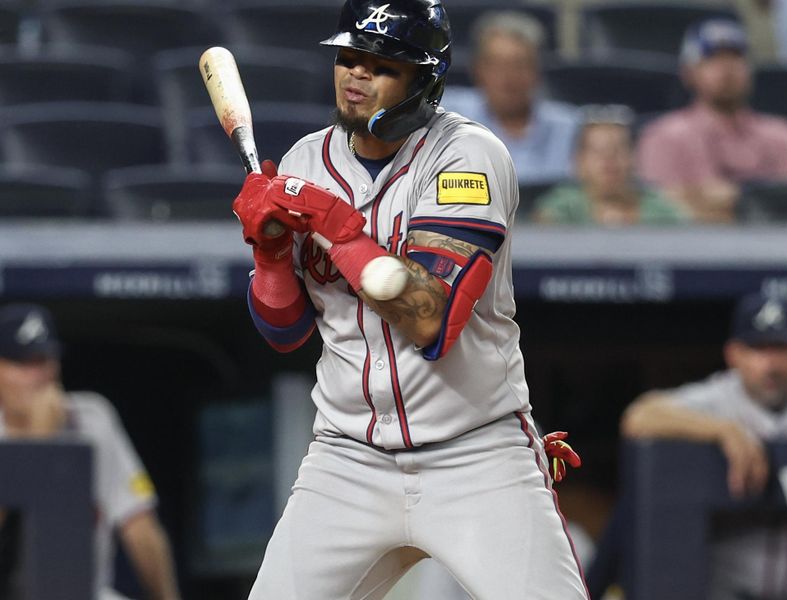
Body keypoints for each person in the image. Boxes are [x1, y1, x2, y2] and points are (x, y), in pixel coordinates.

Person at [230, 1, 588, 598]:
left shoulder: (467, 158)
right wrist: (268, 257)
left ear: (425, 79)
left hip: (474, 452)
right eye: (349, 57)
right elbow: (285, 332)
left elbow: (430, 318)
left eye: (382, 63)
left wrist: (339, 229)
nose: (356, 74)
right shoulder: (303, 162)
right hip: (347, 459)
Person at [620, 293, 787, 600]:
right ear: (734, 354)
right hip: (729, 590)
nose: (770, 363)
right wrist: (722, 430)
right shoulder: (718, 399)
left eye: (780, 348)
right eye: (757, 349)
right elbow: (638, 417)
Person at [0, 304, 181, 600]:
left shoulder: (91, 418)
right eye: (24, 364)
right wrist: (36, 445)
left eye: (45, 360)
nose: (40, 375)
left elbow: (138, 524)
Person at [637, 18, 787, 223]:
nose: (727, 69)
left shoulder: (783, 135)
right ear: (688, 73)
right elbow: (660, 213)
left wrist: (713, 199)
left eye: (736, 58)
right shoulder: (664, 136)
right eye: (713, 59)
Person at [442, 10, 580, 187]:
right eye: (496, 65)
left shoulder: (571, 128)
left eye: (519, 65)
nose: (508, 78)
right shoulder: (445, 117)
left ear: (537, 71)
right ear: (477, 70)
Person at [533, 104, 687, 225]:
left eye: (618, 149)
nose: (608, 159)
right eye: (597, 151)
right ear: (579, 162)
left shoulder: (660, 211)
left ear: (634, 158)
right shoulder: (563, 207)